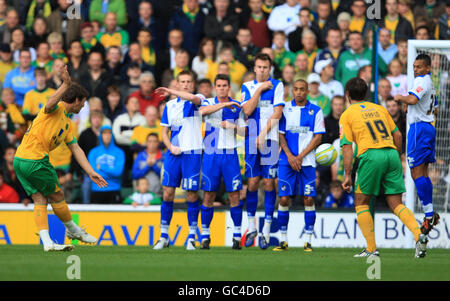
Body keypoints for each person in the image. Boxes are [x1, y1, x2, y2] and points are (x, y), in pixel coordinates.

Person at [13, 65, 107, 252]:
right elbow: (49, 103)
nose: (83, 106)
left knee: (40, 199)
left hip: (20, 161)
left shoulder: (67, 121)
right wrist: (66, 84)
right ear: (76, 100)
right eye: (83, 102)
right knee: (57, 194)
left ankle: (47, 243)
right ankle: (73, 230)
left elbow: (75, 148)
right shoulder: (54, 110)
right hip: (35, 160)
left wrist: (90, 171)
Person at [340, 77, 427, 258]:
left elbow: (347, 147)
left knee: (361, 202)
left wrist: (347, 174)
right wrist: (396, 155)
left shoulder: (347, 115)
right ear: (366, 93)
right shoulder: (379, 108)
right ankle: (419, 235)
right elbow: (398, 134)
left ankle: (371, 249)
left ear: (347, 94)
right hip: (391, 154)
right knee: (396, 204)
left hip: (371, 155)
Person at [153, 70, 205, 251]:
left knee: (191, 194)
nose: (185, 84)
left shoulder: (198, 99)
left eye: (188, 81)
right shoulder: (170, 106)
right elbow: (163, 132)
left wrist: (171, 91)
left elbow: (191, 98)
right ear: (177, 83)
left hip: (192, 153)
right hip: (173, 154)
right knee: (168, 193)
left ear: (193, 84)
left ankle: (191, 237)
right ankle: (164, 236)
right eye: (182, 81)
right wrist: (170, 146)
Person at [275, 79, 325, 252]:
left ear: (307, 91)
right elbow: (280, 134)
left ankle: (308, 241)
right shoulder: (285, 110)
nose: (298, 92)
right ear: (292, 91)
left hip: (307, 162)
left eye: (302, 89)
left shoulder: (316, 111)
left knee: (308, 199)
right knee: (283, 198)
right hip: (286, 161)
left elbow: (318, 137)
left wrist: (300, 156)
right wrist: (290, 156)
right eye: (295, 89)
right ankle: (283, 241)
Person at [241, 53, 284, 249]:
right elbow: (247, 111)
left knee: (269, 182)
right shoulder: (247, 86)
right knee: (252, 182)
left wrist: (263, 134)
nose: (262, 70)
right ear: (254, 68)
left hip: (270, 140)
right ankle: (251, 227)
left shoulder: (278, 85)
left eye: (265, 67)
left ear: (270, 68)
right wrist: (258, 90)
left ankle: (266, 230)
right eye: (259, 67)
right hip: (251, 140)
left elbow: (277, 113)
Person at [394, 54, 440, 236]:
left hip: (419, 130)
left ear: (428, 68)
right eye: (414, 67)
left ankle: (429, 215)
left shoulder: (422, 80)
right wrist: (411, 106)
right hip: (428, 126)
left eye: (419, 67)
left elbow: (413, 99)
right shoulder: (429, 83)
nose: (416, 70)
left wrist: (400, 98)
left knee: (415, 173)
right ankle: (430, 214)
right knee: (424, 173)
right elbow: (433, 106)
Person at [197, 74, 244, 250]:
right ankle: (205, 236)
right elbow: (202, 112)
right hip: (211, 153)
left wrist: (233, 127)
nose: (222, 88)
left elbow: (246, 132)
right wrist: (225, 104)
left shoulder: (236, 107)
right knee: (208, 194)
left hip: (230, 154)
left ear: (229, 87)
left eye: (225, 85)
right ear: (215, 87)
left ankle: (237, 235)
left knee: (234, 195)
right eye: (219, 85)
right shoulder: (208, 102)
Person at [88, 125, 125, 204]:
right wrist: (111, 172)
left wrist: (101, 167)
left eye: (109, 133)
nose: (107, 136)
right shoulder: (93, 152)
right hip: (97, 189)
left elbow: (118, 172)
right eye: (104, 133)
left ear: (112, 135)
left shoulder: (119, 152)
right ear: (101, 135)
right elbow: (93, 173)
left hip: (114, 189)